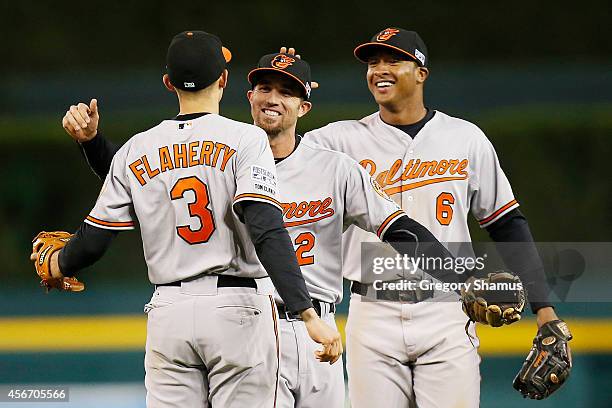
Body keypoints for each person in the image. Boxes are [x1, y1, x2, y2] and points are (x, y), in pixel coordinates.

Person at [62, 49, 466, 407]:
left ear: (304, 106)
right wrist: (95, 146)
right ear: (246, 94)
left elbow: (400, 230)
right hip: (253, 323)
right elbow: (151, 187)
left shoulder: (335, 168)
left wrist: (461, 279)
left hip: (318, 333)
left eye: (287, 91)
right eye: (264, 87)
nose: (273, 98)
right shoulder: (230, 155)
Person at [34, 30, 343, 408]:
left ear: (168, 83)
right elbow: (265, 229)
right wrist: (307, 313)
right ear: (224, 80)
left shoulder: (136, 148)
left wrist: (58, 262)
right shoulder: (246, 139)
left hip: (169, 312)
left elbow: (95, 239)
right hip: (237, 309)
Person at [303, 27, 571, 407]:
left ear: (421, 73)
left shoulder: (465, 138)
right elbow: (278, 146)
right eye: (372, 62)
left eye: (393, 60)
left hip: (448, 309)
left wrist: (543, 308)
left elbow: (506, 223)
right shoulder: (338, 141)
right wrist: (288, 84)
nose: (379, 69)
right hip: (371, 311)